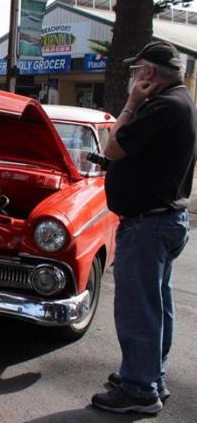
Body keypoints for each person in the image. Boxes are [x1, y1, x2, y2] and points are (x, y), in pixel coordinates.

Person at [90, 41, 196, 415]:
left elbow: (112, 147)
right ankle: (150, 375)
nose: (134, 77)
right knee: (157, 305)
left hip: (149, 224)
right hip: (165, 219)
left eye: (137, 71)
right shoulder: (181, 102)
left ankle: (139, 389)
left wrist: (130, 104)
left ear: (149, 74)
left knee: (138, 308)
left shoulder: (161, 107)